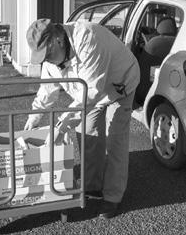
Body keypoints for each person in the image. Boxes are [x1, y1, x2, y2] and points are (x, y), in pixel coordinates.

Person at [25, 19, 140, 219]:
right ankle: (92, 185)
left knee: (115, 139)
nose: (48, 60)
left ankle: (113, 196)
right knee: (87, 133)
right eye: (43, 57)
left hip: (120, 84)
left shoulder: (87, 38)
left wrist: (61, 126)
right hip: (91, 92)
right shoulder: (52, 59)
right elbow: (48, 90)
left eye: (48, 54)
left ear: (59, 40)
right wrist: (34, 118)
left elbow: (91, 92)